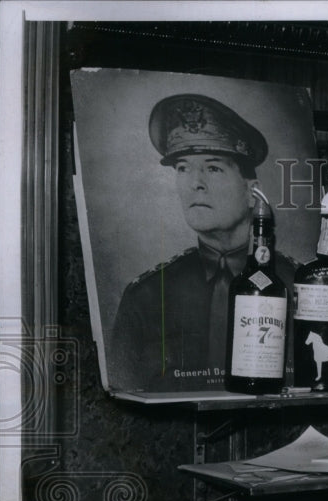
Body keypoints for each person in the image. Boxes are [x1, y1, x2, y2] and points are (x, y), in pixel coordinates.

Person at [109, 94, 296, 391]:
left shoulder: (296, 287)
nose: (195, 183)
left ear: (252, 193)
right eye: (183, 168)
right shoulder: (146, 296)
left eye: (213, 168)